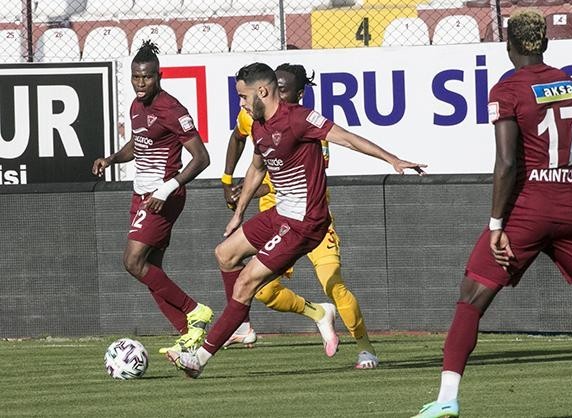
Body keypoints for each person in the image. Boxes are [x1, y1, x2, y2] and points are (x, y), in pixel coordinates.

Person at [413, 11, 572, 418]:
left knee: (471, 298)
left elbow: (507, 162)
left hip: (527, 212)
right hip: (571, 209)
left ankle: (447, 398)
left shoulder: (507, 90)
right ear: (544, 43)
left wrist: (497, 224)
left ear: (509, 46)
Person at [166, 62, 425, 377]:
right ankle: (246, 322)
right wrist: (239, 213)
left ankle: (200, 358)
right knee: (225, 254)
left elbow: (347, 138)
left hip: (306, 222)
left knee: (246, 283)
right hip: (280, 214)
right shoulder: (258, 124)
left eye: (243, 97)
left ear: (263, 91)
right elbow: (257, 168)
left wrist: (392, 159)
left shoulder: (299, 119)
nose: (241, 104)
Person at [220, 63, 380, 368]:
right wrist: (229, 180)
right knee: (263, 290)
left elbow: (303, 173)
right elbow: (239, 139)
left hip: (311, 219)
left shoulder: (306, 125)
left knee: (333, 283)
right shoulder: (252, 116)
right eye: (275, 88)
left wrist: (257, 189)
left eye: (285, 90)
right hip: (276, 221)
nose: (278, 95)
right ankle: (318, 313)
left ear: (299, 93)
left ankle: (365, 347)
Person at [91, 40, 213, 354]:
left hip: (162, 195)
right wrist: (111, 159)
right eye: (136, 77)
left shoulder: (171, 109)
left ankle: (195, 311)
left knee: (132, 261)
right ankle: (190, 335)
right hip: (141, 194)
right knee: (149, 269)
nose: (141, 83)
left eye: (147, 77)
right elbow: (138, 144)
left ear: (159, 76)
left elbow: (201, 158)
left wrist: (166, 189)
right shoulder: (136, 106)